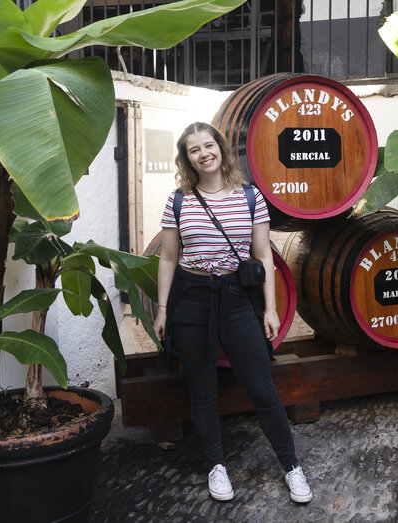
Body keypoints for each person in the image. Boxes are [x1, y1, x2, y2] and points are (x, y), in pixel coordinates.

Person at [153, 122, 312, 503]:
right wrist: (161, 310)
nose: (203, 153)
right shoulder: (178, 200)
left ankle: (291, 466)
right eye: (194, 149)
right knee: (202, 390)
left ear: (221, 148)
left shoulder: (251, 197)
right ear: (186, 158)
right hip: (191, 299)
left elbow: (263, 256)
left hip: (238, 299)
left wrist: (270, 308)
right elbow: (169, 258)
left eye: (208, 145)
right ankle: (216, 465)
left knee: (262, 388)